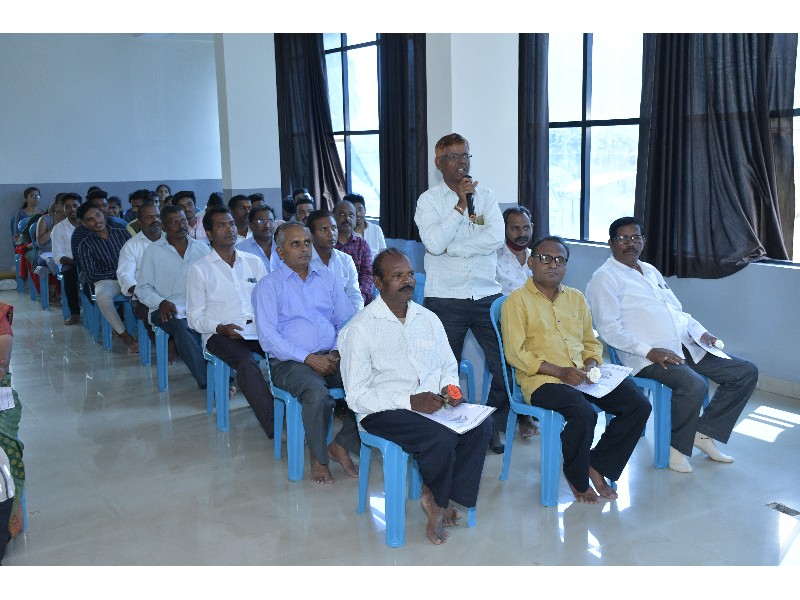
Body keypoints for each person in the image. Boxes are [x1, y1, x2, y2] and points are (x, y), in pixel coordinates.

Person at [339, 248, 492, 544]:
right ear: (378, 282)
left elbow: (448, 366)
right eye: (397, 276)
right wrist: (409, 401)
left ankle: (444, 494)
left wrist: (451, 389)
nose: (407, 281)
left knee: (481, 424)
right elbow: (357, 396)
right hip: (382, 411)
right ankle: (436, 499)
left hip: (432, 403)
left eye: (409, 274)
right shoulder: (360, 329)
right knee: (440, 437)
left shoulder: (428, 318)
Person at [585, 216, 759, 473]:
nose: (630, 243)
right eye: (623, 239)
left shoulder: (649, 270)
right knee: (694, 385)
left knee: (745, 372)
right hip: (646, 355)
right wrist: (649, 351)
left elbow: (676, 311)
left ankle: (704, 433)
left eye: (635, 238)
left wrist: (701, 332)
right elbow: (609, 330)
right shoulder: (604, 278)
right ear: (610, 243)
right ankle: (676, 449)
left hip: (684, 344)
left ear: (643, 241)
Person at [502, 235, 651, 504]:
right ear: (531, 263)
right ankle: (577, 477)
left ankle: (598, 463)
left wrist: (591, 363)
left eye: (560, 260)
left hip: (581, 376)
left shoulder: (576, 298)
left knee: (637, 404)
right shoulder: (517, 301)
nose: (553, 265)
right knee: (583, 413)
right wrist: (560, 372)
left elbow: (590, 342)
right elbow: (516, 354)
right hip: (542, 381)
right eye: (545, 259)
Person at [413, 132, 508, 453]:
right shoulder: (428, 201)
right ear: (439, 163)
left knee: (506, 366)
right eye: (453, 157)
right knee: (443, 370)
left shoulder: (487, 196)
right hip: (445, 298)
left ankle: (490, 426)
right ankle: (452, 429)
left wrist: (454, 249)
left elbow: (495, 238)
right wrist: (460, 207)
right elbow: (433, 243)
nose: (461, 162)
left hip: (486, 297)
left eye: (465, 155)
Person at [253, 222, 359, 485]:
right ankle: (318, 458)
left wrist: (336, 351)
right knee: (317, 395)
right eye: (295, 244)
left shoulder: (327, 279)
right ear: (280, 252)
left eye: (307, 242)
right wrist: (309, 358)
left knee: (368, 382)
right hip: (290, 362)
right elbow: (268, 338)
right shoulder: (268, 286)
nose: (304, 249)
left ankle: (341, 444)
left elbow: (346, 321)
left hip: (331, 355)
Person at [186, 207, 274, 438]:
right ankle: (276, 425)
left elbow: (269, 301)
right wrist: (220, 328)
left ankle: (299, 412)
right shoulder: (200, 269)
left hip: (256, 329)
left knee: (285, 352)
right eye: (221, 225)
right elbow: (194, 317)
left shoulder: (254, 262)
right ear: (209, 233)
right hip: (220, 334)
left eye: (232, 224)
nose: (230, 229)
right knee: (245, 363)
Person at [137, 205, 211, 388]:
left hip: (198, 305)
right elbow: (143, 288)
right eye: (174, 222)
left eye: (183, 220)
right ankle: (209, 381)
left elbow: (212, 281)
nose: (181, 225)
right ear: (163, 226)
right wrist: (161, 302)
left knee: (222, 321)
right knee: (182, 327)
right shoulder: (152, 251)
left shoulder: (202, 249)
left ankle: (225, 375)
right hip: (165, 308)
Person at [494, 205, 540, 438]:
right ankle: (524, 415)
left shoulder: (539, 258)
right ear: (504, 229)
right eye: (515, 228)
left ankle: (546, 400)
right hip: (510, 325)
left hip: (539, 323)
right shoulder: (494, 259)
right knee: (523, 350)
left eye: (526, 227)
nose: (522, 233)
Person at [74, 202, 138, 353]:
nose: (97, 221)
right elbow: (91, 275)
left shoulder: (122, 233)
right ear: (84, 224)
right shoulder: (85, 245)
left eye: (98, 215)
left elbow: (137, 258)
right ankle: (125, 335)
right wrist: (119, 274)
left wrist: (127, 274)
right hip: (108, 281)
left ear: (104, 214)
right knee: (102, 295)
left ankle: (151, 332)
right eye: (90, 219)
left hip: (131, 276)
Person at [307, 209, 363, 312]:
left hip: (344, 319)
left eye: (334, 228)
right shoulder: (304, 262)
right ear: (311, 235)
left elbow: (355, 297)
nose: (331, 233)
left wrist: (355, 319)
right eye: (324, 229)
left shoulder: (346, 260)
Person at [333, 200, 373, 305]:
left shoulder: (362, 245)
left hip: (357, 298)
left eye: (351, 215)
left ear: (355, 220)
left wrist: (360, 296)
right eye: (342, 214)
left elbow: (367, 274)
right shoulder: (327, 244)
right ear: (333, 217)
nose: (347, 218)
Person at [51, 193, 83, 324]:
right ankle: (74, 313)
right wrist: (76, 262)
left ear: (81, 206)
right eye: (68, 207)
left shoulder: (89, 223)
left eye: (75, 205)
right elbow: (58, 256)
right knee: (69, 274)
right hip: (70, 262)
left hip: (91, 261)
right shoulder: (58, 229)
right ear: (63, 209)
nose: (72, 209)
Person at [235, 205, 280, 272]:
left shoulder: (283, 245)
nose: (267, 226)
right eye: (261, 221)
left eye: (270, 221)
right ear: (251, 225)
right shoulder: (240, 250)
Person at [347, 193, 386, 262]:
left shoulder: (376, 229)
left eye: (360, 209)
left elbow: (383, 254)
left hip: (376, 267)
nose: (358, 214)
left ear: (365, 210)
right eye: (353, 211)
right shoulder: (346, 233)